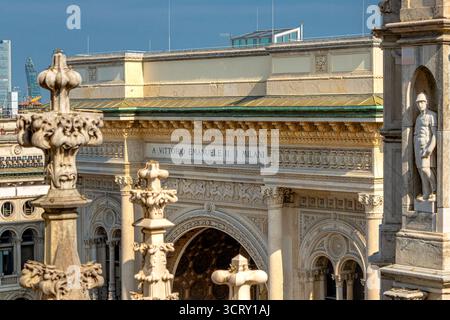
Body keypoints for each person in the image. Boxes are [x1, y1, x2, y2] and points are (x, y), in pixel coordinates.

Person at [414, 92, 437, 201]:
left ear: (426, 103)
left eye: (422, 102)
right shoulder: (418, 117)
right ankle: (426, 193)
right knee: (421, 171)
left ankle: (435, 190)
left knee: (426, 169)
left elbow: (435, 134)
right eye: (418, 102)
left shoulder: (431, 115)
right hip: (418, 146)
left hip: (426, 147)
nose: (420, 104)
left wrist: (429, 149)